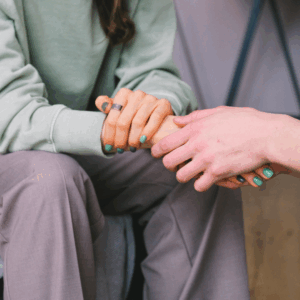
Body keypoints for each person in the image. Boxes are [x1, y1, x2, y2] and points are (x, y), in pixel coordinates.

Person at [0, 0, 275, 299]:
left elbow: (153, 71)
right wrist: (118, 130)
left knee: (195, 163)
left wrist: (151, 110)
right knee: (50, 181)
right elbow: (9, 111)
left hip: (87, 145)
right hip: (15, 149)